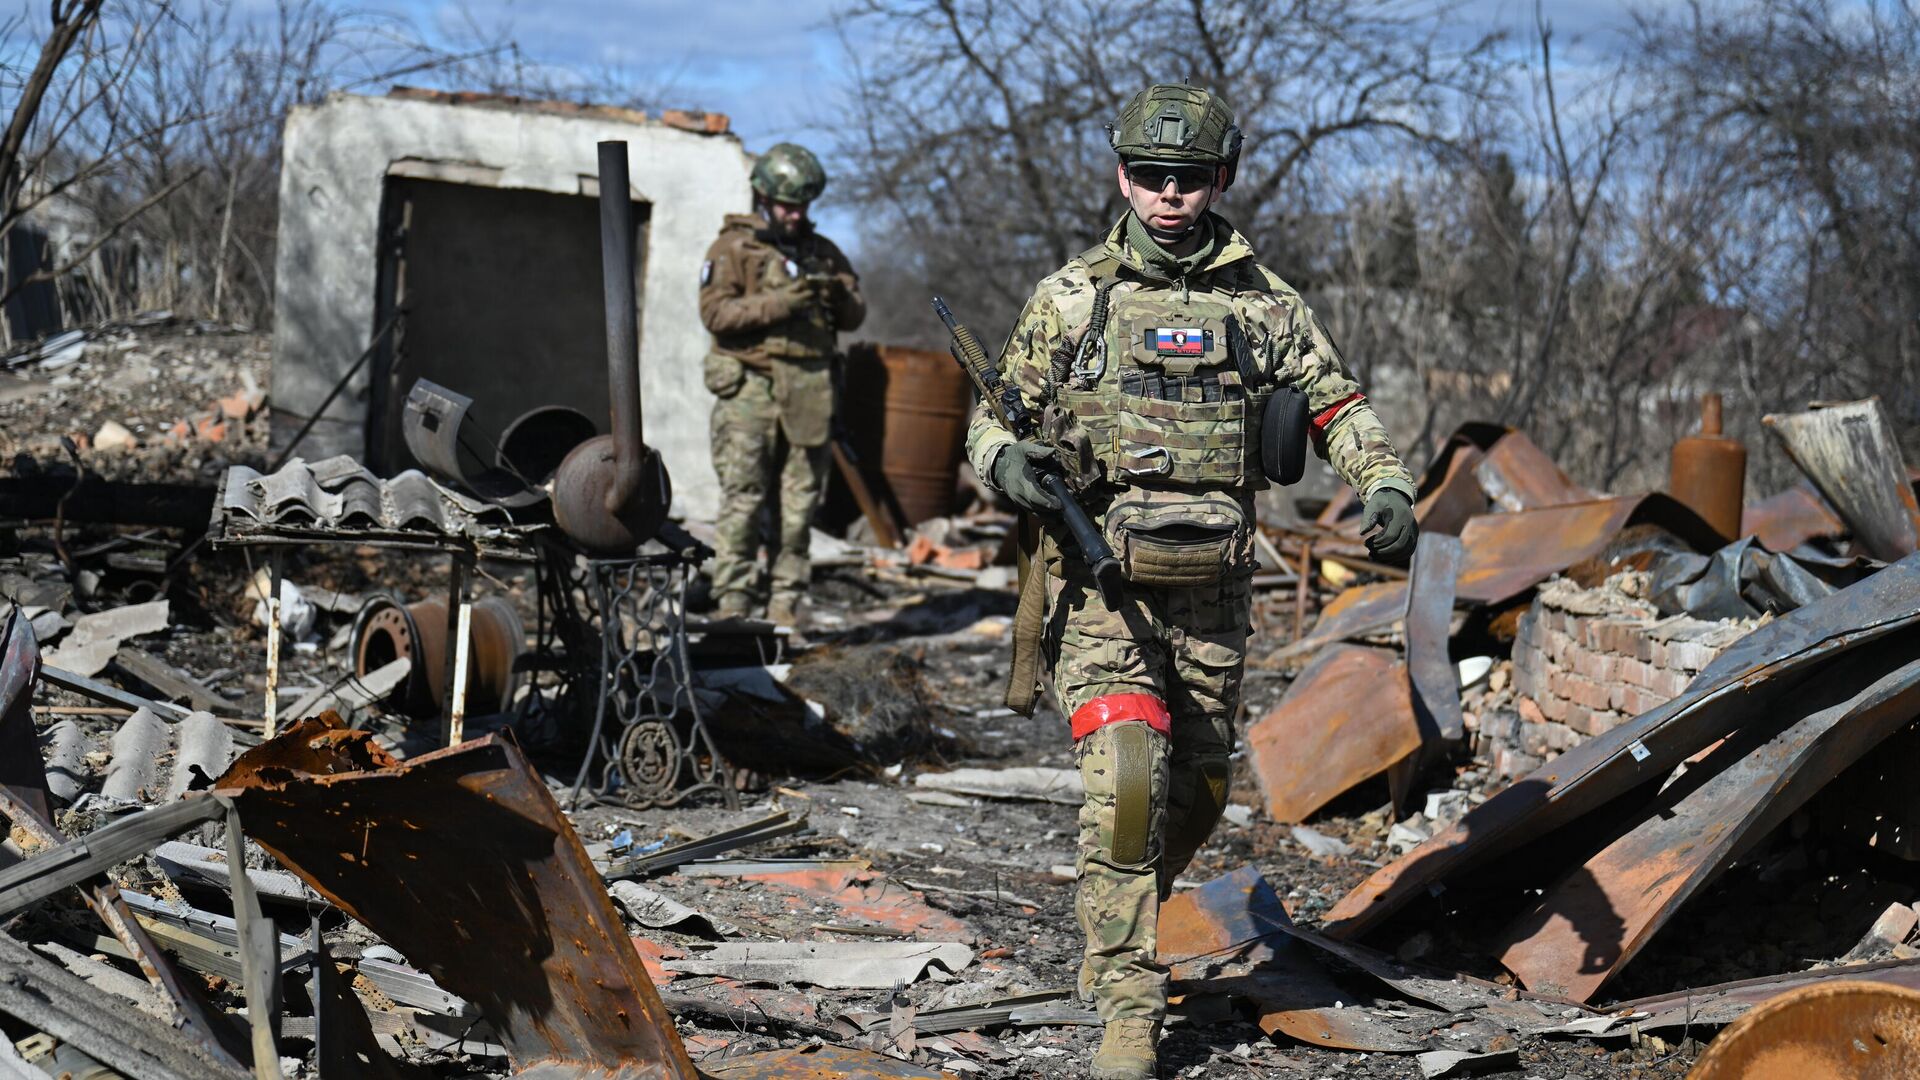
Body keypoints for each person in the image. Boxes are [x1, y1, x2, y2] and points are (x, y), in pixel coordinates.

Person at [963, 83, 1419, 1079]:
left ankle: (1109, 912)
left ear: (1223, 178)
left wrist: (1383, 479)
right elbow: (990, 419)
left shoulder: (1265, 305)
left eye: (1190, 177)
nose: (1169, 194)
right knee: (1130, 782)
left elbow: (1335, 402)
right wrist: (1008, 464)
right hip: (1102, 588)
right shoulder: (1073, 300)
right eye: (1150, 175)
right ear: (1122, 175)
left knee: (1202, 788)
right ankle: (1129, 1005)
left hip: (1214, 594)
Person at [698, 142, 865, 626]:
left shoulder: (823, 252)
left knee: (799, 504)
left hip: (809, 389)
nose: (796, 215)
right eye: (788, 205)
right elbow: (715, 314)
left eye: (803, 206)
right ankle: (734, 602)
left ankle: (786, 602)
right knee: (744, 496)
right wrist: (783, 303)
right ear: (764, 199)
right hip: (751, 386)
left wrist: (835, 294)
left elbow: (855, 315)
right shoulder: (733, 249)